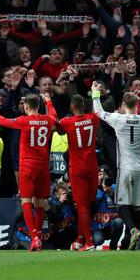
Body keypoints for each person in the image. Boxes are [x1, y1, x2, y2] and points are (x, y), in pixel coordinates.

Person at [0, 93, 56, 251]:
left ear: (26, 107)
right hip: (43, 165)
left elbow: (3, 121)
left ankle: (34, 238)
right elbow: (54, 115)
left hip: (27, 165)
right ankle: (39, 236)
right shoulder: (47, 120)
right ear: (39, 106)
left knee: (26, 201)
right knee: (40, 202)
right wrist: (48, 101)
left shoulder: (23, 121)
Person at [92, 83, 140, 250]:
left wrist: (95, 93)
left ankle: (132, 230)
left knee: (122, 204)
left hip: (125, 169)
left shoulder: (118, 119)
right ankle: (134, 236)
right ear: (137, 105)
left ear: (124, 106)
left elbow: (98, 112)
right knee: (139, 206)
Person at [58, 94, 100, 251]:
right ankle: (81, 238)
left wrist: (48, 102)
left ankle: (89, 242)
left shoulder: (67, 122)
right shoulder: (93, 119)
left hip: (77, 168)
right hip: (92, 167)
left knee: (81, 206)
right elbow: (98, 112)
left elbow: (57, 127)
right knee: (87, 205)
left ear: (72, 106)